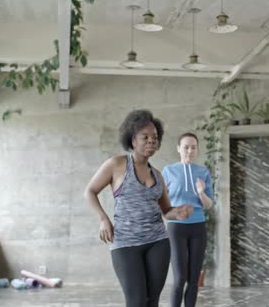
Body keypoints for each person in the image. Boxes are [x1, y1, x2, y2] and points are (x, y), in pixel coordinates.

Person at [84, 109, 193, 307]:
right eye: (145, 137)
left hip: (158, 242)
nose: (152, 141)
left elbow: (166, 211)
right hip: (125, 244)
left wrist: (179, 212)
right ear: (133, 140)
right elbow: (90, 191)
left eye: (155, 137)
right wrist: (103, 219)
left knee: (152, 302)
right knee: (136, 302)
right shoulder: (116, 165)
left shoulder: (158, 176)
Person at [162, 132, 213, 307]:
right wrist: (165, 194)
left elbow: (208, 205)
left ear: (197, 149)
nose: (190, 151)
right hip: (176, 227)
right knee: (180, 277)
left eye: (193, 147)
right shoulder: (168, 171)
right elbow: (161, 203)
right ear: (178, 148)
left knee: (193, 278)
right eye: (186, 147)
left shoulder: (203, 172)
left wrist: (201, 192)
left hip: (198, 227)